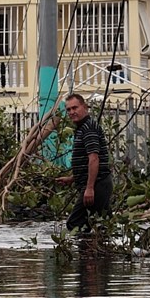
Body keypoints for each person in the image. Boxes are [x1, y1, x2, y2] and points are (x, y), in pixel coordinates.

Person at [55, 93, 113, 232]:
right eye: (68, 110)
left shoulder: (88, 128)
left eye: (75, 108)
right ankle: (97, 252)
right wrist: (73, 178)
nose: (71, 112)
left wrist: (90, 188)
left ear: (84, 107)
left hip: (98, 184)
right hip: (97, 183)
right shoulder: (83, 128)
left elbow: (94, 159)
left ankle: (87, 253)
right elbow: (88, 161)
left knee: (75, 224)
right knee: (100, 225)